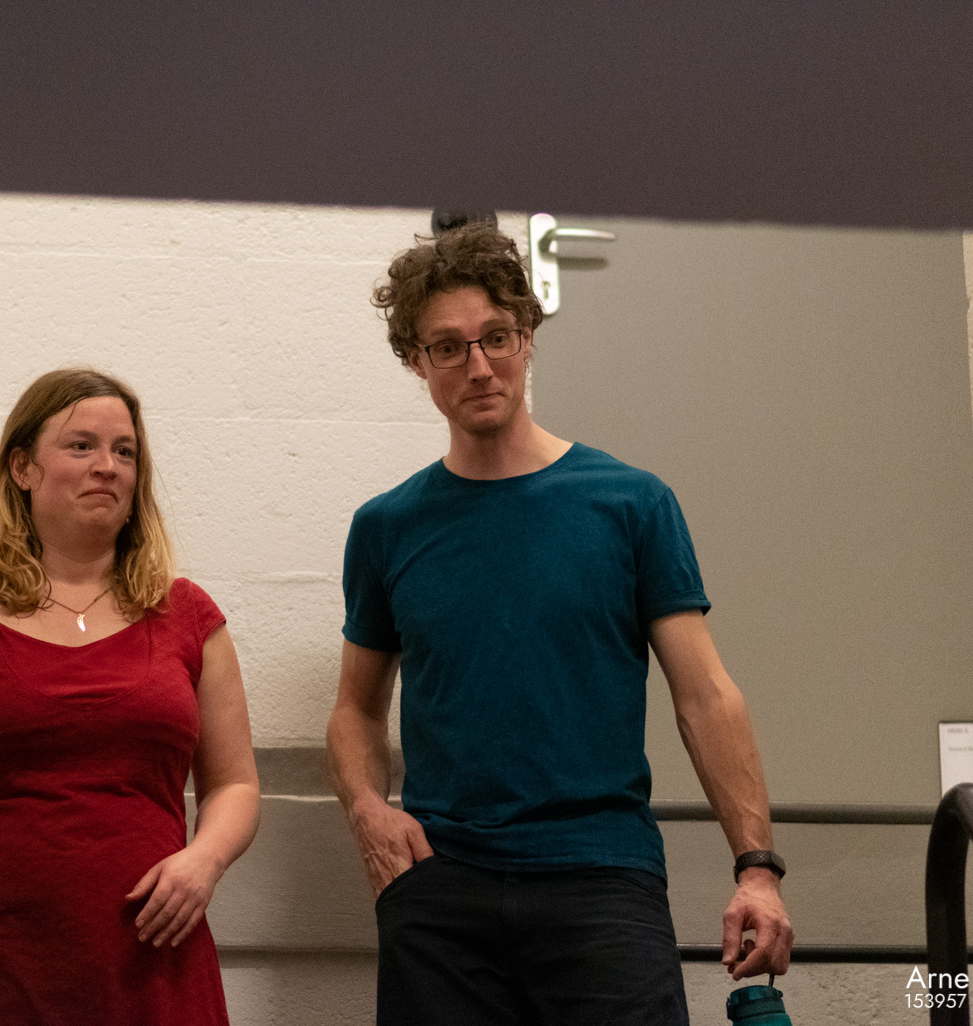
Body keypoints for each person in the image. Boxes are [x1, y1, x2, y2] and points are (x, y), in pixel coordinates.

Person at [326, 224, 793, 1025]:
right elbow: (354, 709)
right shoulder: (385, 527)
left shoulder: (630, 503)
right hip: (441, 889)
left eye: (495, 337)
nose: (478, 366)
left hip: (602, 878)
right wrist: (368, 810)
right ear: (415, 362)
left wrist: (756, 868)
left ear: (527, 336)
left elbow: (705, 696)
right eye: (448, 347)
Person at [0, 368, 259, 1025]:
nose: (108, 466)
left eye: (125, 452)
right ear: (22, 468)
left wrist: (204, 862)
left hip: (153, 962)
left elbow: (234, 783)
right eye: (81, 446)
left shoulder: (187, 615)